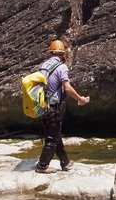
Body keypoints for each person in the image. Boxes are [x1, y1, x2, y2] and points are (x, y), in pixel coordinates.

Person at [35, 39, 90, 174]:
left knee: (55, 135)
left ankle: (65, 162)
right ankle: (42, 166)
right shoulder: (61, 67)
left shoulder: (43, 66)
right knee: (52, 139)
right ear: (63, 53)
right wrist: (80, 99)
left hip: (42, 107)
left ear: (51, 52)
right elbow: (67, 88)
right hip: (53, 108)